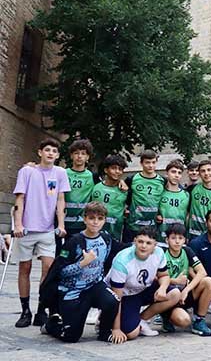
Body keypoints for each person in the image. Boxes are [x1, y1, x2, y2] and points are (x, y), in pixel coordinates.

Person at [41, 202, 120, 343]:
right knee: (71, 336)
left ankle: (104, 332)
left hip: (94, 285)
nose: (95, 222)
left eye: (100, 218)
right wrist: (82, 263)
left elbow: (120, 248)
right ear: (84, 219)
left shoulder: (106, 238)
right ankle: (51, 325)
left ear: (104, 220)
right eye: (91, 218)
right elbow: (61, 272)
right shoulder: (74, 242)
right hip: (73, 291)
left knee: (112, 300)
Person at [13, 138, 71, 328]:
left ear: (58, 155)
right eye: (47, 150)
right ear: (39, 152)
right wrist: (18, 224)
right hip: (27, 229)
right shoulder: (27, 171)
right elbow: (20, 198)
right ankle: (25, 311)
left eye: (54, 151)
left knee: (48, 268)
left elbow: (61, 200)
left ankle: (41, 309)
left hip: (47, 230)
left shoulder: (60, 173)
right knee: (25, 268)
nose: (50, 153)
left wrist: (61, 224)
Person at [106, 226, 179, 341]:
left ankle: (142, 320)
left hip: (143, 289)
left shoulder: (159, 253)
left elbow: (164, 275)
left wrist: (163, 288)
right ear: (134, 241)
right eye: (140, 242)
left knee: (174, 294)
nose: (143, 246)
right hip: (125, 295)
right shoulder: (122, 260)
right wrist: (116, 329)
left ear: (155, 245)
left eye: (148, 243)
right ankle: (105, 318)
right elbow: (117, 297)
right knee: (131, 334)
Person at [160, 224, 211, 336]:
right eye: (173, 238)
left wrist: (186, 290)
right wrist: (175, 281)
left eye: (180, 238)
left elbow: (202, 272)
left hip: (183, 295)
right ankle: (166, 318)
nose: (177, 241)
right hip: (169, 297)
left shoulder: (187, 251)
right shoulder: (162, 254)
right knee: (184, 321)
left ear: (185, 240)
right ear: (167, 240)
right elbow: (156, 278)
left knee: (208, 281)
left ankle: (199, 320)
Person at [123, 150, 165, 243]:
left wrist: (160, 214)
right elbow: (123, 194)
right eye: (147, 162)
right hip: (133, 225)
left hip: (152, 226)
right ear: (141, 163)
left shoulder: (162, 180)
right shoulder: (132, 179)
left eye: (153, 162)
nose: (151, 165)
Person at [63, 139, 96, 241]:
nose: (79, 156)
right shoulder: (63, 173)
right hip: (62, 221)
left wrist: (121, 183)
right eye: (76, 153)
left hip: (81, 223)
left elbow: (108, 184)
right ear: (71, 156)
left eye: (83, 154)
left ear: (87, 157)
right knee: (61, 253)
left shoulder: (92, 176)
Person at [90, 154, 129, 240]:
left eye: (120, 169)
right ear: (106, 170)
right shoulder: (95, 187)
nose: (117, 171)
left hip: (115, 235)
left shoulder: (125, 190)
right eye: (114, 168)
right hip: (95, 234)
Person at [157, 160, 190, 245]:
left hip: (178, 239)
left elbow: (188, 216)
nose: (176, 175)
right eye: (173, 172)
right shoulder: (160, 193)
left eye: (179, 173)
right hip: (161, 238)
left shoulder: (186, 195)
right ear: (166, 174)